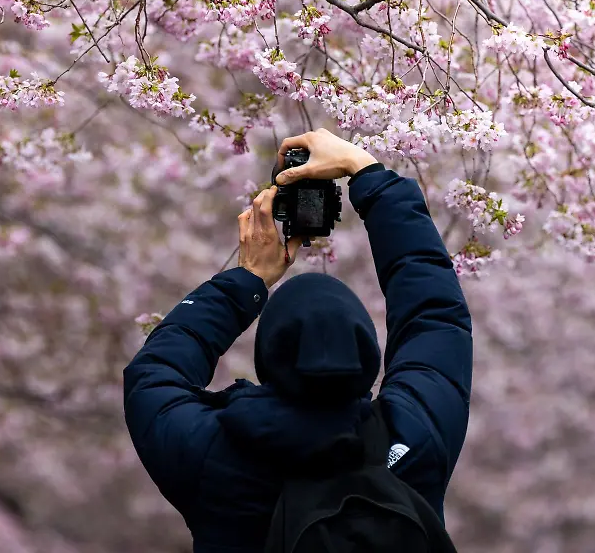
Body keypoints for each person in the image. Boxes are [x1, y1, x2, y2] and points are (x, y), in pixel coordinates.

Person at [124, 128, 473, 552]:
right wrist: (367, 172)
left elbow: (153, 372)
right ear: (366, 354)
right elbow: (433, 314)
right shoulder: (415, 434)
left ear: (269, 354)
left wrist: (247, 280)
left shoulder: (210, 452)